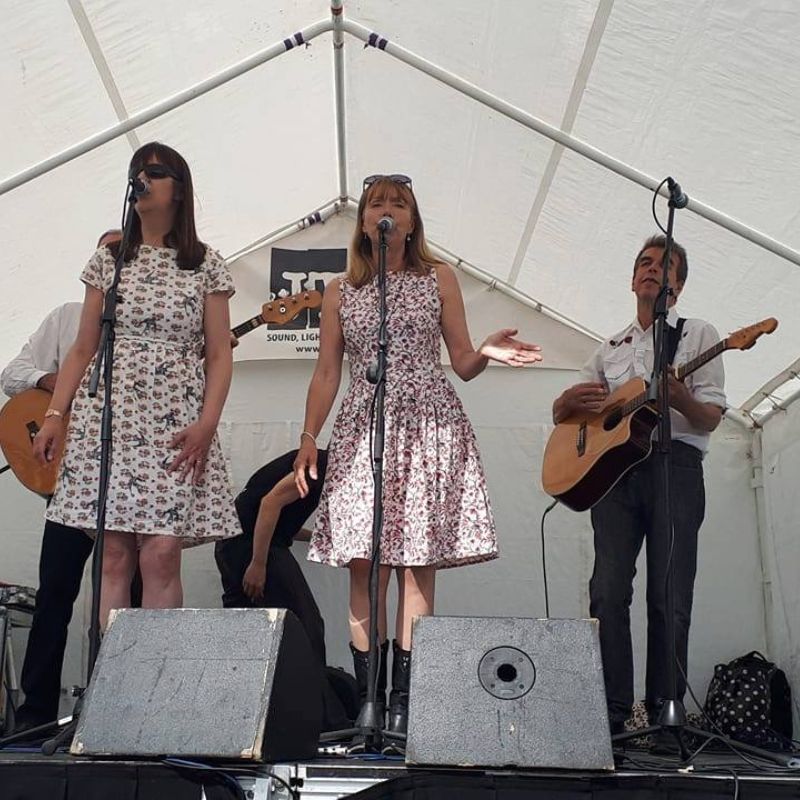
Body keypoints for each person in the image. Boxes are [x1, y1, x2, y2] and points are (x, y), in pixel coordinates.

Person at [293, 173, 543, 743]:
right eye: (376, 203)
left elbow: (462, 361)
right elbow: (327, 372)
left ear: (411, 222)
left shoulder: (438, 277)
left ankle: (405, 705)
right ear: (363, 221)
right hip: (364, 426)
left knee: (416, 563)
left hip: (428, 422)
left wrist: (485, 350)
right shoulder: (340, 290)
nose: (386, 210)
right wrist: (309, 436)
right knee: (365, 564)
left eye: (398, 203)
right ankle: (368, 704)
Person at [33, 142, 241, 631]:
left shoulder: (204, 263)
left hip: (175, 423)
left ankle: (153, 670)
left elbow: (219, 354)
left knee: (162, 552)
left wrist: (207, 425)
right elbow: (82, 348)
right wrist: (55, 415)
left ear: (179, 189)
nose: (142, 180)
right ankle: (112, 672)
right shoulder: (109, 260)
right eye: (137, 172)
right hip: (111, 419)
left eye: (155, 172)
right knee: (113, 555)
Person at [552, 235, 726, 737]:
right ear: (632, 280)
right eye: (645, 263)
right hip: (615, 474)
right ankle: (613, 716)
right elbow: (566, 412)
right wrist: (565, 404)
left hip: (676, 467)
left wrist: (680, 398)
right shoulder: (609, 348)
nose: (653, 270)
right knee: (607, 591)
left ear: (679, 285)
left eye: (665, 265)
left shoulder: (698, 334)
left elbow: (710, 417)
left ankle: (665, 715)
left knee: (669, 594)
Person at [0, 230, 139, 732]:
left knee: (130, 600)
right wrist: (49, 383)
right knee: (55, 595)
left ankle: (122, 712)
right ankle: (34, 716)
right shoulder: (66, 317)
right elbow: (12, 372)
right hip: (70, 480)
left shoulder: (152, 322)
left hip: (130, 484)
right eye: (107, 254)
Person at [214, 448, 357, 730]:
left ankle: (243, 716)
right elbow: (269, 504)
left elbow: (274, 514)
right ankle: (320, 718)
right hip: (250, 547)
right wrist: (258, 563)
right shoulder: (318, 467)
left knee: (249, 632)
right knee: (304, 627)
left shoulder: (319, 465)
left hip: (238, 544)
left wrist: (316, 538)